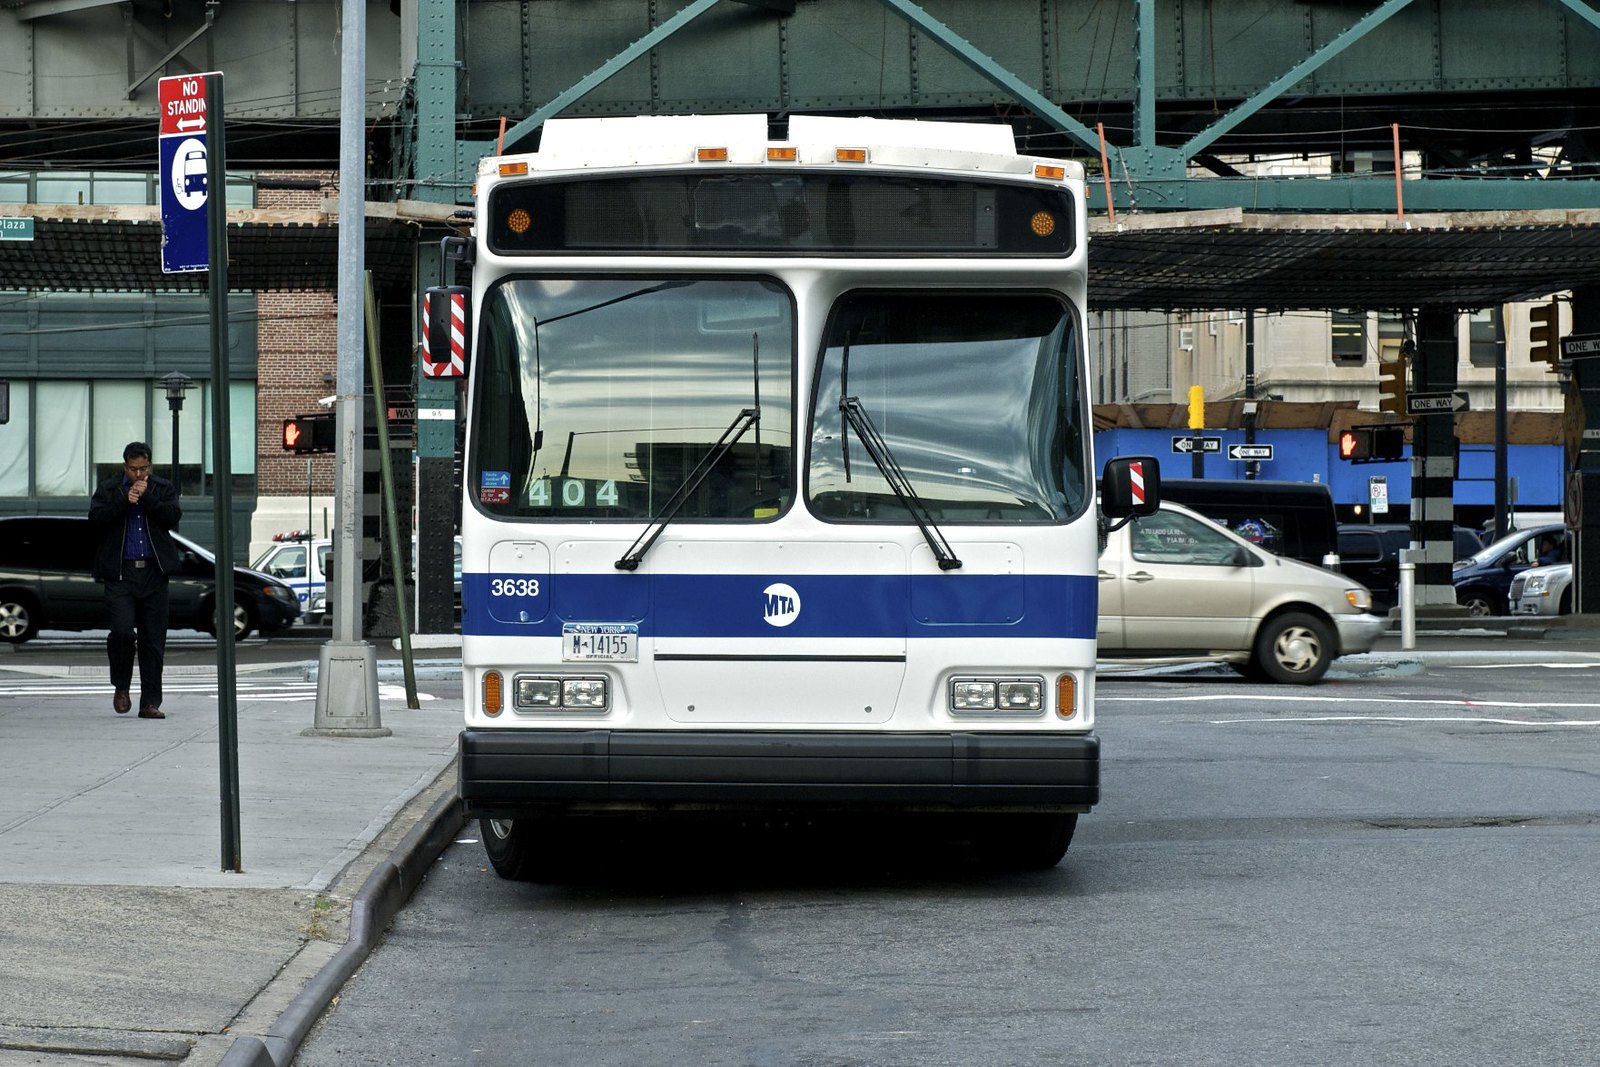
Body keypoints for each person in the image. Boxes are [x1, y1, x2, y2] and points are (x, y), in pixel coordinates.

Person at [88, 442, 182, 720]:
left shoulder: (161, 488)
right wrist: (123, 499)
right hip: (120, 574)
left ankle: (150, 702)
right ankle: (121, 687)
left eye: (143, 469)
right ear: (124, 466)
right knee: (123, 633)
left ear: (149, 466)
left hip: (154, 573)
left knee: (153, 641)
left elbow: (172, 517)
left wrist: (148, 497)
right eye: (133, 469)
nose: (138, 474)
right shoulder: (108, 489)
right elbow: (96, 520)